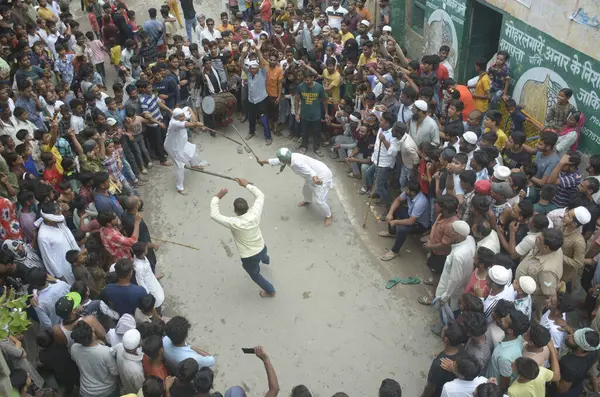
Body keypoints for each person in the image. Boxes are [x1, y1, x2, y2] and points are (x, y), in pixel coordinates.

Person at [210, 178, 275, 297]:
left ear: (235, 210)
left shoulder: (233, 222)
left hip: (249, 255)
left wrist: (217, 197)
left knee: (255, 274)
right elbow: (260, 196)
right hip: (261, 245)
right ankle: (266, 261)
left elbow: (214, 215)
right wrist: (247, 185)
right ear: (247, 207)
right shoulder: (254, 213)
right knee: (264, 255)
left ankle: (270, 290)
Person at [259, 148, 334, 227]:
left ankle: (329, 216)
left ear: (284, 159)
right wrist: (262, 162)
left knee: (320, 201)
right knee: (306, 191)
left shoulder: (297, 163)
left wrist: (315, 179)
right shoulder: (290, 157)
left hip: (322, 176)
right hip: (312, 177)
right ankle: (308, 201)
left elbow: (310, 171)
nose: (279, 160)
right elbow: (276, 161)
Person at [379, 180, 430, 261]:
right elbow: (397, 200)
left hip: (419, 224)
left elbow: (411, 221)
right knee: (392, 208)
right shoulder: (409, 193)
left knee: (402, 229)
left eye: (406, 189)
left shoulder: (420, 202)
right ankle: (392, 233)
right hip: (411, 214)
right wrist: (390, 213)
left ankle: (394, 251)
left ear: (412, 193)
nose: (404, 190)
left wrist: (395, 222)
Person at [163, 108, 207, 195]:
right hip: (173, 147)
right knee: (180, 166)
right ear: (175, 117)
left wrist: (194, 120)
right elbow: (188, 124)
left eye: (183, 115)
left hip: (182, 143)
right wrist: (197, 124)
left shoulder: (180, 115)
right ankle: (179, 187)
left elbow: (188, 108)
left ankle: (194, 165)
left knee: (192, 151)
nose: (184, 117)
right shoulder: (174, 123)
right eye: (181, 116)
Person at [70, 321, 119, 397]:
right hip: (107, 391)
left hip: (85, 392)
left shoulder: (74, 348)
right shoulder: (105, 351)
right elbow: (115, 372)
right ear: (92, 333)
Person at [487, 308, 530, 391]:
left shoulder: (505, 357)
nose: (502, 319)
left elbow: (504, 384)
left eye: (505, 320)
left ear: (510, 330)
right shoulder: (518, 338)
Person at [36, 201, 79, 284]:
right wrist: (60, 276)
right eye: (58, 213)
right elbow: (48, 259)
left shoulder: (59, 223)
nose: (60, 214)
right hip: (64, 267)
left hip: (76, 260)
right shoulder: (43, 236)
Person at [239, 42, 272, 145]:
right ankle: (251, 132)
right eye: (251, 68)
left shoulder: (262, 73)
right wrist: (243, 53)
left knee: (264, 119)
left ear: (258, 68)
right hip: (251, 100)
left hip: (261, 100)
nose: (253, 70)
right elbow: (240, 64)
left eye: (254, 68)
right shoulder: (248, 73)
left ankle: (268, 137)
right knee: (251, 117)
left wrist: (258, 51)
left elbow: (262, 62)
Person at [421, 322, 466, 397]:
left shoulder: (439, 364)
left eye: (443, 329)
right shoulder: (462, 349)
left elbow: (430, 387)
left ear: (446, 339)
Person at [294, 69, 329, 156]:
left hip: (316, 116)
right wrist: (297, 113)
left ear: (313, 78)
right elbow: (296, 100)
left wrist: (326, 113)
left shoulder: (319, 87)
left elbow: (325, 101)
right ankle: (304, 147)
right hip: (304, 115)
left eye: (308, 79)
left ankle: (316, 148)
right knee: (304, 132)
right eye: (305, 80)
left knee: (316, 133)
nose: (306, 81)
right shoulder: (300, 87)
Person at [111, 329, 145, 394]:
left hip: (125, 385)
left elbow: (110, 352)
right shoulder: (136, 371)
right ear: (139, 344)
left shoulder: (120, 346)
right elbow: (141, 390)